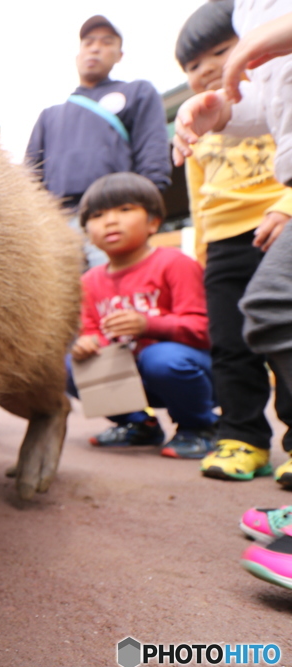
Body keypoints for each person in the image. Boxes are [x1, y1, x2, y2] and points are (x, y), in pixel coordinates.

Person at [172, 1, 292, 593]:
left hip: (275, 214)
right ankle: (241, 435)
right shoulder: (251, 16)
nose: (206, 68)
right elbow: (269, 105)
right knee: (238, 336)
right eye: (192, 63)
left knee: (275, 319)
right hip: (221, 240)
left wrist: (287, 205)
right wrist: (219, 112)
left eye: (219, 53)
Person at [67, 173, 218, 458]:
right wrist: (88, 343)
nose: (110, 221)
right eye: (98, 215)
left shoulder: (174, 263)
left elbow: (204, 328)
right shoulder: (89, 281)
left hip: (188, 372)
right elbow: (91, 330)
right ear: (86, 231)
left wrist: (148, 324)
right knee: (70, 365)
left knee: (160, 358)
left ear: (153, 222)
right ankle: (138, 425)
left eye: (125, 210)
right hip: (132, 375)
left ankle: (200, 427)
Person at [26, 15, 172, 270]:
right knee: (60, 305)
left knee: (114, 297)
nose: (95, 48)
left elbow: (153, 156)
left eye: (106, 42)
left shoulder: (137, 92)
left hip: (113, 215)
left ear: (119, 55)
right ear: (78, 55)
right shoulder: (50, 115)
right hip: (56, 224)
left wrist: (141, 213)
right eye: (88, 42)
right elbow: (29, 177)